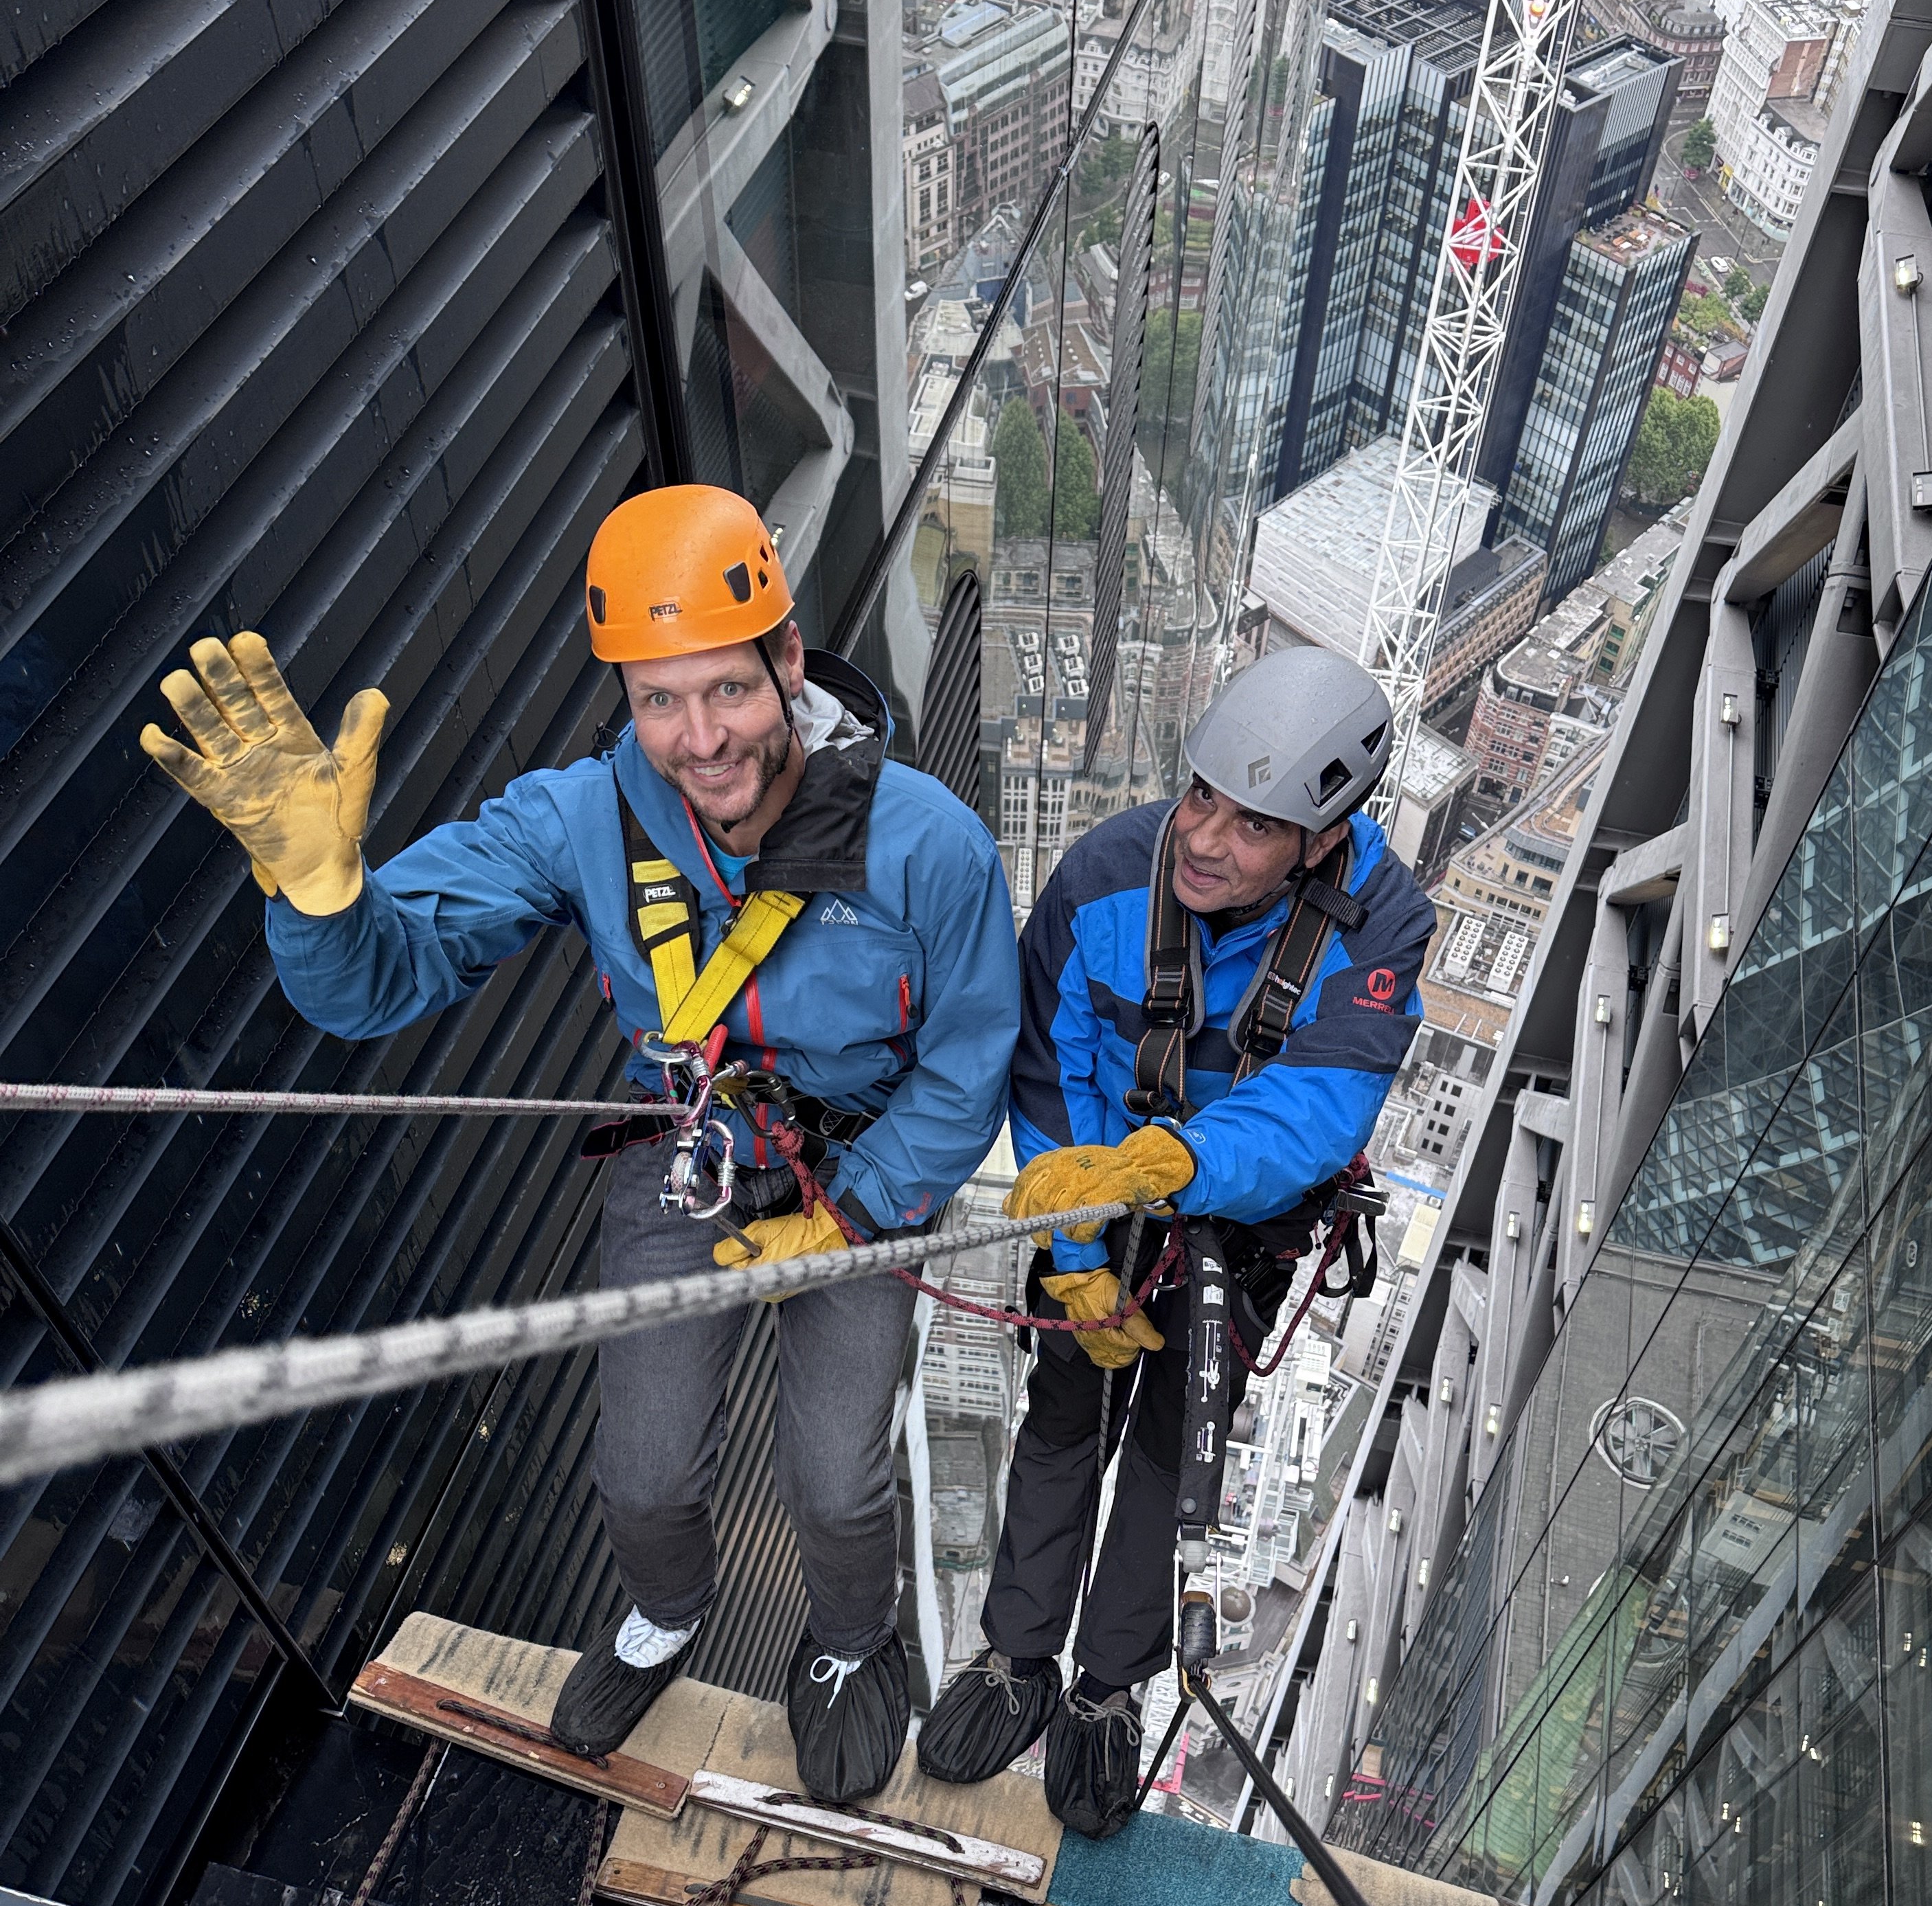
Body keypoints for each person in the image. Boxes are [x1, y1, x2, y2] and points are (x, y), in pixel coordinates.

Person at [140, 486, 1019, 1806]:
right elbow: (380, 982)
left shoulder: (927, 844)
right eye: (658, 700)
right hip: (692, 1154)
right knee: (640, 1467)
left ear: (789, 660)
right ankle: (665, 1611)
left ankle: (850, 1643)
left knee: (837, 1482)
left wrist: (866, 1203)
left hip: (863, 1175)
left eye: (725, 689)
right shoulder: (582, 821)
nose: (698, 737)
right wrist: (321, 895)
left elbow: (968, 1059)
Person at [915, 646, 1435, 1837]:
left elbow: (1319, 1105)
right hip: (1097, 1197)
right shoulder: (1106, 871)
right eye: (1201, 795)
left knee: (1169, 1454)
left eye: (1253, 825)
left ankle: (1106, 1692)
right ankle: (1016, 1659)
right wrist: (1084, 1245)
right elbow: (1056, 1069)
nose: (1202, 838)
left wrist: (1188, 1166)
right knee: (1060, 1419)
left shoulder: (1384, 927)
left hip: (1236, 1230)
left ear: (1321, 838)